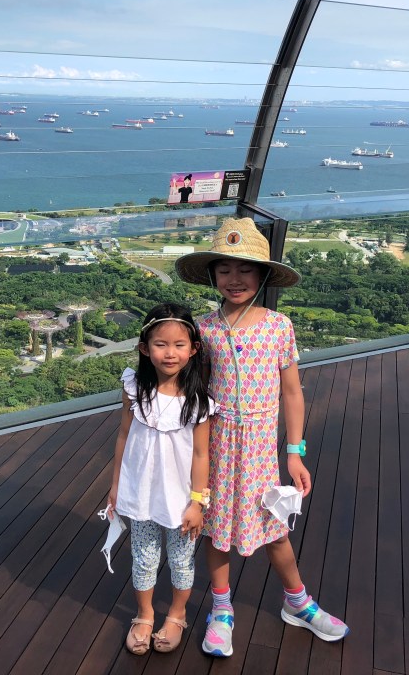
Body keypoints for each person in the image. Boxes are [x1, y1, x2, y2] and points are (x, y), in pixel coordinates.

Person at [174, 217, 349, 658]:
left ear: (263, 275)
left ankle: (298, 602)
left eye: (245, 270)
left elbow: (292, 392)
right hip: (215, 445)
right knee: (216, 530)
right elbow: (193, 391)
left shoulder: (278, 326)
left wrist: (295, 453)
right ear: (212, 275)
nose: (234, 279)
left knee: (274, 528)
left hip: (258, 451)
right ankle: (221, 610)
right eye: (224, 269)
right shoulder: (203, 329)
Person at [107, 302, 216, 655]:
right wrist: (115, 486)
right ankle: (144, 615)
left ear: (193, 349)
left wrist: (198, 502)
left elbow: (201, 455)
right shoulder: (134, 388)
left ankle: (177, 614)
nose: (170, 353)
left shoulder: (198, 401)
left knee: (182, 560)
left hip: (181, 499)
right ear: (144, 348)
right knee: (143, 557)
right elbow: (123, 436)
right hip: (140, 494)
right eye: (161, 344)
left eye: (179, 344)